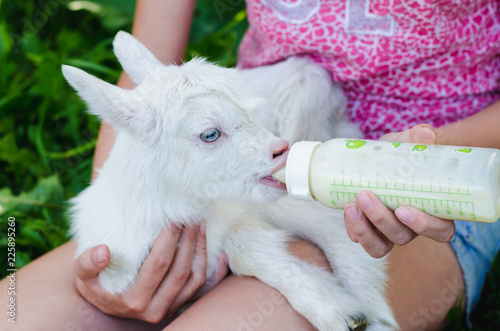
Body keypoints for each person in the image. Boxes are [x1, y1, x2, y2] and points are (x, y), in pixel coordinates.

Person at [2, 1, 500, 330]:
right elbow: (148, 84)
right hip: (241, 159)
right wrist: (125, 238)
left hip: (433, 178)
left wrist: (422, 153)